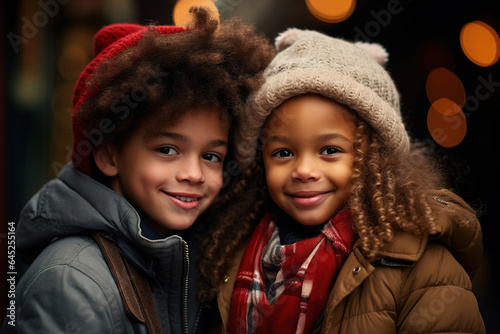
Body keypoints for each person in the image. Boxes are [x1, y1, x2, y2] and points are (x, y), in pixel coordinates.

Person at [1, 7, 274, 334]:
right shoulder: (71, 283)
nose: (194, 174)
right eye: (167, 150)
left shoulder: (196, 261)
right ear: (108, 156)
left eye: (211, 156)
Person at [199, 28, 486, 333]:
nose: (304, 170)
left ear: (373, 158)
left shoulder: (423, 266)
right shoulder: (231, 257)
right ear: (260, 161)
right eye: (283, 152)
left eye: (330, 150)